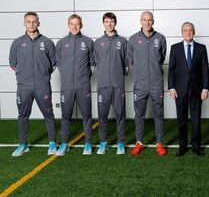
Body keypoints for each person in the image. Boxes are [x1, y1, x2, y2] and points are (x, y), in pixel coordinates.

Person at [9, 12, 57, 156]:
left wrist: (43, 74)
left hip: (42, 86)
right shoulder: (17, 43)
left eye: (34, 21)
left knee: (48, 115)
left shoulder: (47, 42)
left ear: (38, 23)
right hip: (24, 86)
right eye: (29, 21)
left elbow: (54, 63)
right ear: (24, 23)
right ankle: (23, 144)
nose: (31, 24)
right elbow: (12, 63)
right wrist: (23, 75)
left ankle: (52, 144)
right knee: (22, 115)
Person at [127, 10, 167, 156]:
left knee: (158, 114)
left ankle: (160, 143)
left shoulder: (161, 38)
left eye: (149, 20)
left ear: (153, 21)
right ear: (140, 21)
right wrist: (140, 73)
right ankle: (139, 143)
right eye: (144, 20)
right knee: (139, 114)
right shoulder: (132, 39)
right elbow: (130, 60)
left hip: (156, 84)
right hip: (140, 84)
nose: (147, 22)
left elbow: (161, 58)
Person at [168, 22, 209, 157]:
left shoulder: (201, 48)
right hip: (180, 90)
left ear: (194, 32)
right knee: (181, 119)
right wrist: (171, 87)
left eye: (190, 30)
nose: (188, 32)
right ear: (182, 32)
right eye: (185, 30)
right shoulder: (175, 48)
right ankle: (182, 147)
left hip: (197, 90)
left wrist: (205, 88)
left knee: (196, 119)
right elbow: (171, 70)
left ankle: (196, 146)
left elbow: (205, 69)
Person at [55, 14, 95, 156]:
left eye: (77, 24)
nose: (74, 27)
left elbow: (93, 64)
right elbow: (58, 63)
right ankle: (64, 144)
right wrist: (67, 76)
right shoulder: (61, 43)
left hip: (83, 85)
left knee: (86, 115)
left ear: (81, 25)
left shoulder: (88, 42)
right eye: (72, 24)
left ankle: (88, 144)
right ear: (68, 25)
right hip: (67, 86)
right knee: (66, 116)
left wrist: (84, 76)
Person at [94, 12, 128, 155]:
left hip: (118, 85)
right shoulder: (98, 42)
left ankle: (121, 143)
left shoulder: (123, 41)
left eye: (112, 21)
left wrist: (119, 74)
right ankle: (103, 143)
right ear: (103, 23)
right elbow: (94, 63)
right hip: (103, 85)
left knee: (120, 115)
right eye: (107, 21)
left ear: (115, 23)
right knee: (102, 116)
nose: (109, 24)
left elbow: (127, 63)